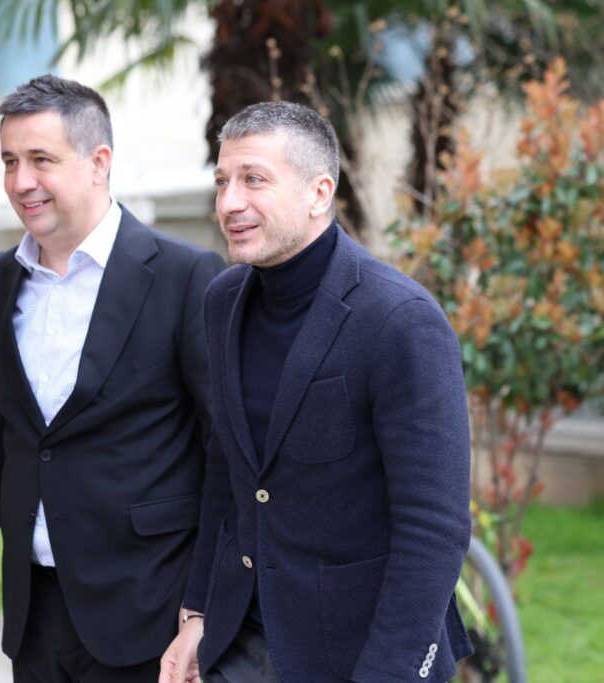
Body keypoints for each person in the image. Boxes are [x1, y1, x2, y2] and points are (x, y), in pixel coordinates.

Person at [160, 101, 473, 683]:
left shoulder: (400, 320)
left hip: (360, 654)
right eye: (223, 181)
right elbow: (227, 473)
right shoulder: (223, 300)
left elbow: (434, 527)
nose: (229, 203)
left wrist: (386, 674)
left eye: (254, 180)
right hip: (240, 641)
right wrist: (198, 610)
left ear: (319, 192)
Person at [0, 74, 224, 682]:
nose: (21, 181)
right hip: (34, 614)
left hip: (151, 611)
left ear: (99, 163)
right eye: (9, 161)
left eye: (41, 160)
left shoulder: (185, 275)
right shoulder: (1, 279)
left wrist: (204, 606)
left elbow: (223, 451)